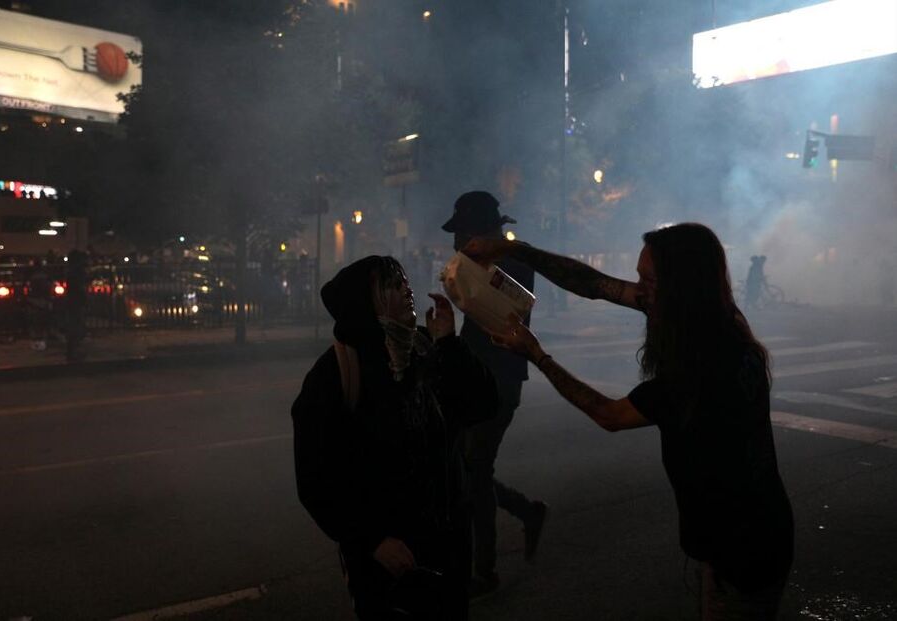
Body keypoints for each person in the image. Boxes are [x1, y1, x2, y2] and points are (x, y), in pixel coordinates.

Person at [465, 223, 794, 620]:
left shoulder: (701, 371)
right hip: (751, 534)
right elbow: (592, 283)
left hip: (743, 548)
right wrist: (512, 250)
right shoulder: (720, 321)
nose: (639, 290)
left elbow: (610, 415)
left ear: (681, 285)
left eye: (649, 280)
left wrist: (537, 355)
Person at [292, 255, 499, 620]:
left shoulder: (425, 348)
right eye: (391, 285)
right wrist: (369, 540)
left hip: (447, 540)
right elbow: (316, 478)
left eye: (405, 281)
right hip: (390, 555)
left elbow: (483, 405)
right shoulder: (336, 375)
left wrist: (450, 343)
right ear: (364, 303)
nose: (407, 290)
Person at [441, 191, 548, 596]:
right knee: (469, 469)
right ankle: (526, 511)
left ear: (482, 232)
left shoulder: (513, 264)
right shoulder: (472, 265)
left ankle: (484, 570)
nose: (455, 244)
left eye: (461, 234)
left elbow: (508, 315)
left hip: (500, 380)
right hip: (473, 376)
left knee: (475, 468)